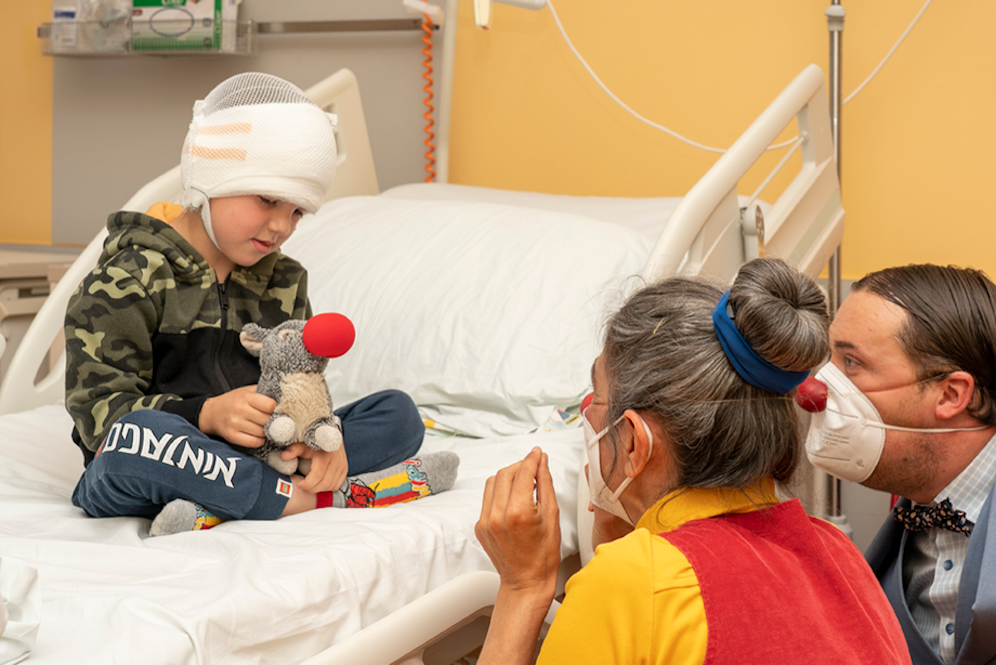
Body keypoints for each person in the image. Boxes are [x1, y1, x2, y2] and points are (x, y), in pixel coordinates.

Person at [65, 72, 457, 537]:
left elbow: (302, 384)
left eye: (296, 212)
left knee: (399, 413)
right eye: (267, 199)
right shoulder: (128, 278)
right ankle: (317, 497)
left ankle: (233, 501)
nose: (280, 226)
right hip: (160, 459)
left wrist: (322, 439)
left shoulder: (287, 281)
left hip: (262, 452)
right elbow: (99, 417)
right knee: (136, 443)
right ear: (211, 176)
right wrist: (206, 415)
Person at [474, 257, 912, 664]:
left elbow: (650, 604)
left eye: (596, 400)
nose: (587, 418)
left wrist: (523, 588)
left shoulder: (634, 584)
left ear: (633, 443)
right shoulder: (841, 555)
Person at [804, 264, 996, 665]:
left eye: (852, 363)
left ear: (950, 395)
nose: (815, 390)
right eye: (830, 360)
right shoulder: (911, 524)